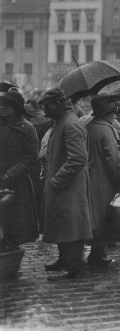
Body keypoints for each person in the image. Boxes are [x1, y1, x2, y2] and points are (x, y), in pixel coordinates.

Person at [38, 88, 93, 280]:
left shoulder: (70, 125)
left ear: (58, 104)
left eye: (47, 105)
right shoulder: (61, 122)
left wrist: (57, 180)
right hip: (62, 186)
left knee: (71, 227)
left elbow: (77, 159)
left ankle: (74, 267)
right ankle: (64, 259)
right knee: (63, 225)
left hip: (69, 187)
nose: (44, 109)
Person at [85, 94, 120, 268]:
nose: (115, 116)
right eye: (114, 113)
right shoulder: (106, 129)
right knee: (103, 217)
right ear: (109, 114)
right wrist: (119, 179)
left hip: (88, 178)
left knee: (94, 216)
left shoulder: (88, 127)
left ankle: (96, 252)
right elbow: (114, 160)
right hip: (104, 180)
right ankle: (98, 254)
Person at [0, 87, 39, 247]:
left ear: (16, 108)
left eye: (7, 105)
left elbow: (31, 158)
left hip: (18, 185)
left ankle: (11, 262)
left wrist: (10, 175)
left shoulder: (28, 129)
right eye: (1, 104)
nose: (2, 107)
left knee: (15, 227)